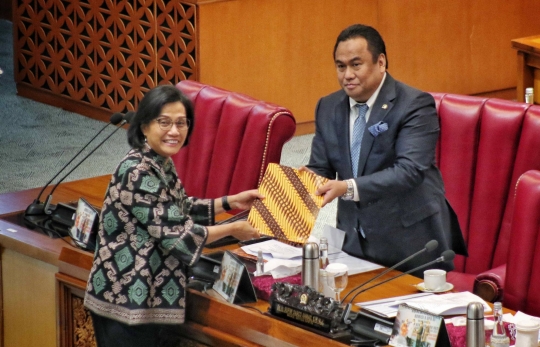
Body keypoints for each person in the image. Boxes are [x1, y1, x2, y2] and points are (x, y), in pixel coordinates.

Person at [84, 85, 262, 347]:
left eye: (181, 123)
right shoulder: (137, 172)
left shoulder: (158, 161)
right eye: (164, 122)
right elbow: (178, 235)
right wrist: (233, 230)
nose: (174, 131)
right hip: (124, 302)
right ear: (144, 126)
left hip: (145, 299)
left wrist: (230, 202)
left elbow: (178, 209)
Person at [304, 24, 467, 277]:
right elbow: (321, 167)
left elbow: (409, 171)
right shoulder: (328, 106)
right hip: (353, 239)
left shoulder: (414, 104)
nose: (347, 74)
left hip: (410, 241)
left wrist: (347, 187)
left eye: (356, 65)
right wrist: (303, 179)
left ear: (381, 62)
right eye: (340, 66)